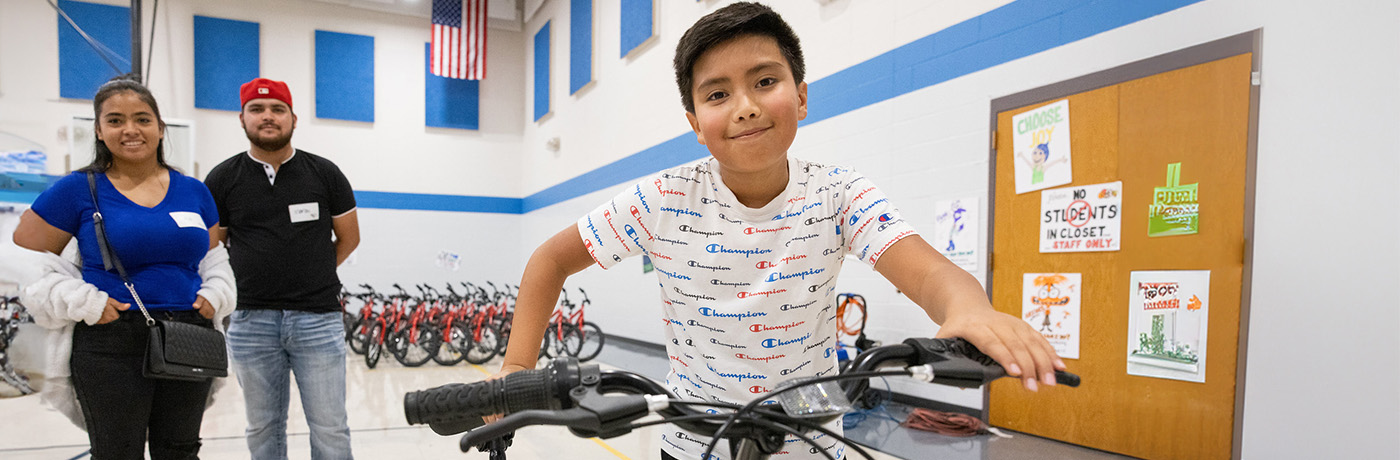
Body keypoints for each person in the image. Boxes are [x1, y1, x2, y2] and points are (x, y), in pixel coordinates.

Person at [492, 3, 1068, 459]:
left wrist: (970, 308)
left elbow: (927, 269)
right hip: (696, 444)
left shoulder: (839, 194)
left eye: (764, 81)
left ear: (802, 96)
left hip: (814, 442)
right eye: (717, 94)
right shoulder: (662, 197)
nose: (743, 107)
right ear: (695, 123)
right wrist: (517, 369)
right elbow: (550, 259)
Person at [14, 75, 236, 459]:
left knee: (181, 450)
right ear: (99, 131)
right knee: (118, 452)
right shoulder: (78, 189)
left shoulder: (195, 191)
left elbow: (213, 258)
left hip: (189, 335)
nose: (130, 129)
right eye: (115, 120)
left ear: (161, 128)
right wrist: (81, 300)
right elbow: (30, 256)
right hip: (112, 339)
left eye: (142, 119)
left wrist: (215, 295)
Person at [204, 78, 360, 460]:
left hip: (318, 320)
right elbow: (211, 247)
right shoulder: (223, 179)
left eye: (278, 109)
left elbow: (349, 238)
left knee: (330, 427)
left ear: (294, 118)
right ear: (241, 118)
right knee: (262, 427)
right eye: (257, 110)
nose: (268, 117)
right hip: (250, 322)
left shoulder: (325, 174)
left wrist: (315, 271)